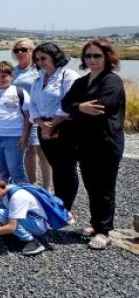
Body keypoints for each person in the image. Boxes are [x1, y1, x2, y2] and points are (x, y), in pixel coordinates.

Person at [61, 39, 125, 250]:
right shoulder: (82, 82)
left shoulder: (112, 81)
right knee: (91, 185)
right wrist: (81, 106)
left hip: (106, 142)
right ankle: (96, 223)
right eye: (88, 56)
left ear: (107, 57)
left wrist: (77, 108)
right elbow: (66, 103)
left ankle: (104, 231)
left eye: (96, 56)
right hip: (85, 143)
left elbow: (101, 106)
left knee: (104, 187)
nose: (92, 60)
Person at [29, 42, 79, 216]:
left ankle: (67, 207)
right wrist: (42, 125)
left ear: (54, 56)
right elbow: (32, 104)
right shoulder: (38, 78)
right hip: (43, 127)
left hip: (64, 126)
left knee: (67, 167)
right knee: (56, 167)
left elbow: (69, 102)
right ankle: (59, 204)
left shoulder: (68, 75)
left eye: (44, 58)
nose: (40, 62)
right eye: (37, 59)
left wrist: (53, 124)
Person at [0, 173, 50, 256]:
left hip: (39, 225)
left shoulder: (16, 197)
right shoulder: (6, 190)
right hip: (30, 219)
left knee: (1, 213)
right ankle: (17, 234)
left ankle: (30, 241)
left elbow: (11, 227)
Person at [11, 38, 50, 193]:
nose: (20, 52)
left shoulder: (39, 71)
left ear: (32, 51)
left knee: (41, 150)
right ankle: (32, 185)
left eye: (24, 49)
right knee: (29, 149)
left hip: (38, 114)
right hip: (19, 116)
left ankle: (47, 187)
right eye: (17, 50)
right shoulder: (13, 71)